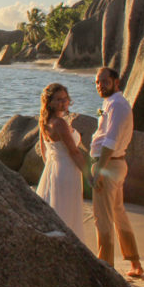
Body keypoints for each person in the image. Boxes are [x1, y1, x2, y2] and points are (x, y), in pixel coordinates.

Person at [90, 67, 144, 277]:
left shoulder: (118, 106)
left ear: (116, 82)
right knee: (119, 214)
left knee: (102, 217)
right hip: (114, 164)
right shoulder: (110, 104)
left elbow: (110, 141)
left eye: (104, 81)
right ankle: (135, 264)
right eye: (97, 82)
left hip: (109, 164)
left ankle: (105, 269)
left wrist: (99, 170)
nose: (99, 85)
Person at [35, 83, 86, 239]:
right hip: (67, 171)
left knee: (55, 209)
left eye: (65, 99)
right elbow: (74, 151)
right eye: (58, 99)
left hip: (53, 169)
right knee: (67, 212)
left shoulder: (44, 121)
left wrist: (50, 169)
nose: (63, 103)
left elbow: (45, 151)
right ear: (49, 102)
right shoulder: (59, 123)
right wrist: (90, 174)